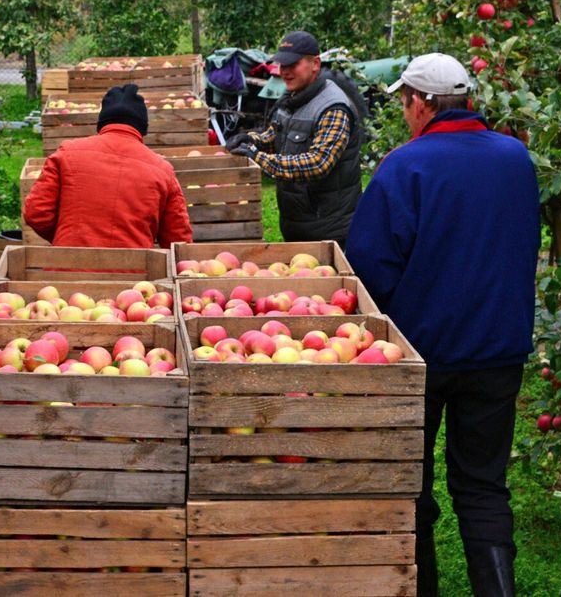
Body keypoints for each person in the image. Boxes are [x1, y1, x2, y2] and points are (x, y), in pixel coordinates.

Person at [344, 53, 540, 597]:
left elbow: (369, 267)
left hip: (421, 354)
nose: (405, 113)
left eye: (405, 103)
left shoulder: (405, 166)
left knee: (412, 483)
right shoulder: (515, 157)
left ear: (420, 103)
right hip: (498, 350)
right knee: (483, 486)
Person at [225, 30, 362, 245]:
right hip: (298, 224)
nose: (285, 71)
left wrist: (257, 157)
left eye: (293, 64)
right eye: (282, 65)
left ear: (315, 64)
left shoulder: (333, 107)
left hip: (329, 231)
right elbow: (275, 136)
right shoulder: (293, 97)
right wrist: (250, 140)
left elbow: (318, 163)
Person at [23, 83, 194, 248]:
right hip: (135, 267)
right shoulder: (162, 170)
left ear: (102, 122)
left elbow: (36, 213)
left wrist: (67, 239)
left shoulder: (67, 153)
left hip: (67, 265)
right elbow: (178, 239)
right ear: (142, 128)